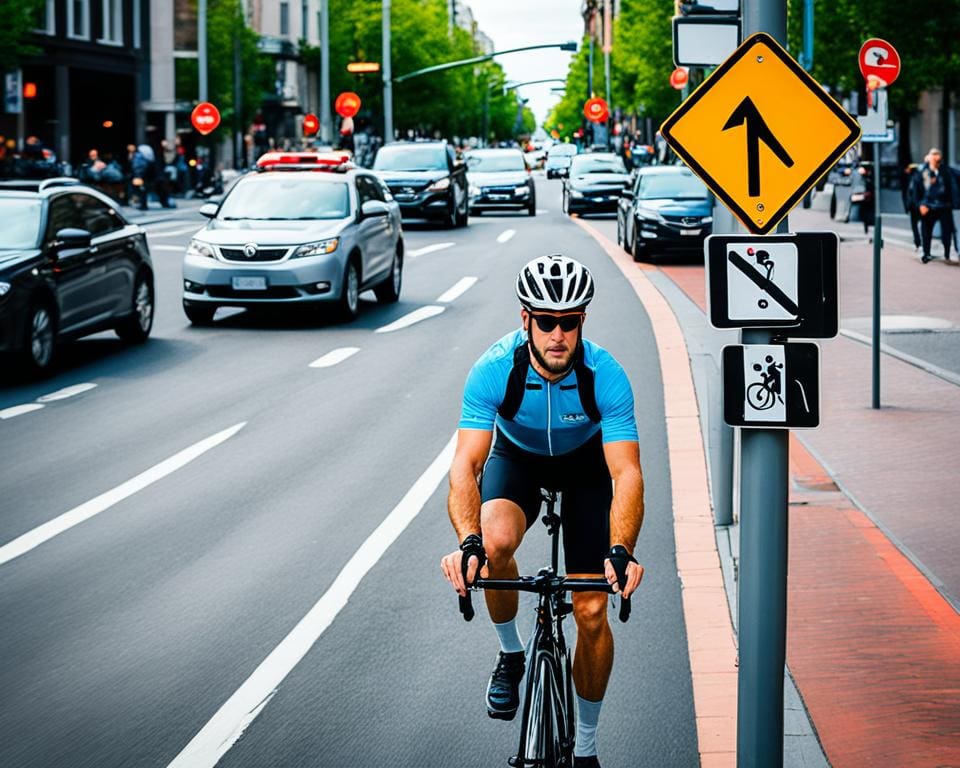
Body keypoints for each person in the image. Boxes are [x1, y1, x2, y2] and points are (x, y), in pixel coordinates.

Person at [441, 255, 645, 768]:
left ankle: (588, 749)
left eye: (569, 322)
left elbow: (626, 474)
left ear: (582, 322)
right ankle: (512, 654)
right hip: (519, 461)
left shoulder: (606, 376)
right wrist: (467, 542)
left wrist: (621, 551)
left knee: (592, 610)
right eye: (546, 321)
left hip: (585, 468)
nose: (558, 334)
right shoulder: (494, 370)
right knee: (493, 548)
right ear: (525, 319)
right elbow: (466, 465)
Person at [910, 147, 959, 263]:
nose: (936, 160)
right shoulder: (922, 172)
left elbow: (953, 185)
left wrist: (953, 202)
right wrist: (920, 205)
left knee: (947, 231)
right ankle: (926, 253)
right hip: (927, 205)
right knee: (926, 231)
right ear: (929, 158)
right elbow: (916, 190)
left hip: (944, 205)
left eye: (938, 158)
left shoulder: (946, 171)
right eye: (934, 157)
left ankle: (947, 253)